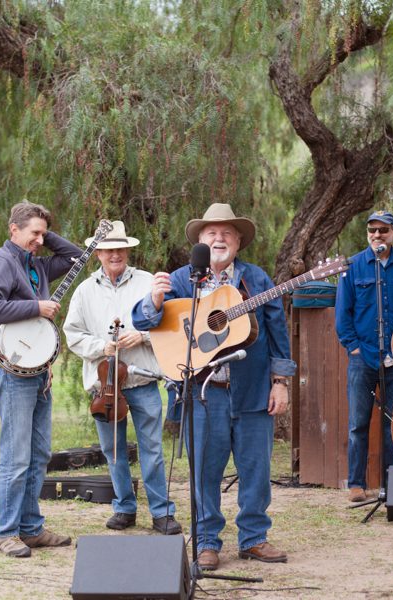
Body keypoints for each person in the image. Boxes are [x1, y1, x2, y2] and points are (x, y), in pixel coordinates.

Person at [132, 203, 294, 571]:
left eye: (227, 233)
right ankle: (206, 541)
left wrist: (280, 382)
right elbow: (142, 319)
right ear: (201, 241)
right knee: (204, 470)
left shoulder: (257, 280)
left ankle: (253, 538)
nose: (219, 239)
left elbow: (278, 333)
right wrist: (155, 300)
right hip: (203, 394)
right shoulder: (180, 279)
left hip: (252, 390)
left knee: (256, 468)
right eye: (211, 234)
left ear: (238, 241)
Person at [0, 201, 81, 558]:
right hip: (11, 373)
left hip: (38, 373)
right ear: (13, 230)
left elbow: (76, 257)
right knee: (16, 457)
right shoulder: (2, 262)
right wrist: (36, 307)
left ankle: (31, 529)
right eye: (32, 233)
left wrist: (45, 235)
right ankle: (5, 532)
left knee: (38, 455)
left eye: (42, 234)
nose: (39, 240)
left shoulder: (35, 264)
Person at [63, 221, 181, 536]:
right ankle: (124, 507)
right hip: (105, 387)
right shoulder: (85, 290)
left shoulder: (147, 283)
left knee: (152, 450)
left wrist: (141, 336)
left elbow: (169, 326)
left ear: (127, 250)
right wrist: (101, 346)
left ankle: (161, 512)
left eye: (119, 248)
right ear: (98, 253)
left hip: (142, 381)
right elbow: (72, 334)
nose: (114, 254)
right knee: (113, 450)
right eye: (108, 250)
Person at [334, 210, 393, 503]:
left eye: (383, 230)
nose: (376, 235)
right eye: (372, 230)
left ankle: (391, 485)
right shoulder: (353, 266)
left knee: (392, 424)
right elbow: (342, 313)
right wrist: (353, 347)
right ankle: (356, 484)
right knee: (358, 423)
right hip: (363, 358)